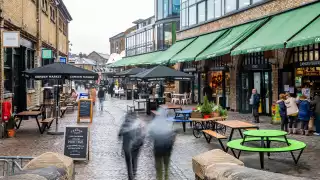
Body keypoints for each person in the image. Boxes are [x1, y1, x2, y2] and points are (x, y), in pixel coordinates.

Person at [149, 108, 176, 180]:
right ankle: (166, 178)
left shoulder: (155, 123)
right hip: (167, 150)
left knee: (159, 170)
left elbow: (150, 134)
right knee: (166, 168)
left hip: (158, 150)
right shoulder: (168, 123)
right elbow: (173, 135)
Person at [118, 113, 145, 180]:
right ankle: (134, 172)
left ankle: (130, 177)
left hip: (127, 148)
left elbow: (119, 134)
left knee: (128, 162)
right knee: (135, 159)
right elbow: (142, 135)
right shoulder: (138, 124)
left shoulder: (125, 124)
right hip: (135, 146)